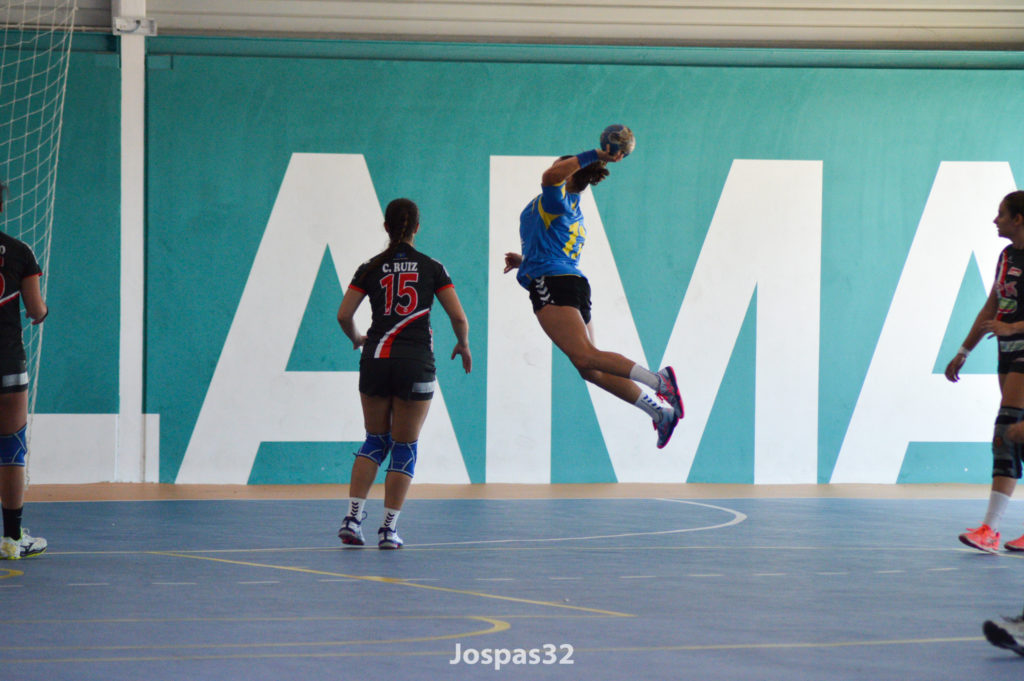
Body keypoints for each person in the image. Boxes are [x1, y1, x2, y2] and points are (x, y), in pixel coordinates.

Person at [502, 143, 683, 449]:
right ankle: (661, 414)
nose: (555, 169)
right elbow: (554, 250)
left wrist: (598, 155)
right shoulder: (570, 210)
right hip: (570, 283)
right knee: (591, 369)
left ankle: (659, 381)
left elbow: (550, 176)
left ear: (569, 174)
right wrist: (524, 261)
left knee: (586, 356)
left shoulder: (556, 201)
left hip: (552, 284)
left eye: (564, 166)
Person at [336, 198, 471, 550]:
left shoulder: (370, 267)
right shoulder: (432, 267)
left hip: (376, 357)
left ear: (386, 227)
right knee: (405, 446)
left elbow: (343, 314)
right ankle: (388, 530)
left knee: (375, 440)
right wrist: (463, 343)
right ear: (417, 228)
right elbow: (458, 317)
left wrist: (356, 338)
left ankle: (352, 518)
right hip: (415, 362)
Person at [946, 190, 1024, 553]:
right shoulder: (1007, 256)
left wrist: (1013, 327)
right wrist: (964, 350)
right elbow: (992, 306)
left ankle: (990, 530)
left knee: (1006, 431)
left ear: (1018, 219)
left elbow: (1006, 319)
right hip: (1006, 351)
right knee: (1016, 434)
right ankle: (992, 529)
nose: (995, 220)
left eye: (1001, 214)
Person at [0, 181, 48, 560]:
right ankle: (12, 539)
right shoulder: (19, 252)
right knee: (11, 449)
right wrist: (39, 313)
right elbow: (36, 309)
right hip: (7, 365)